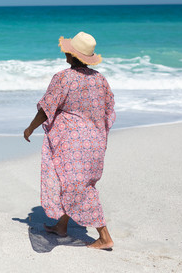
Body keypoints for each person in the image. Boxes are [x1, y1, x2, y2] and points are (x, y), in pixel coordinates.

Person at [23, 32, 116, 250]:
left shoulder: (63, 77)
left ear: (71, 55)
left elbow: (47, 108)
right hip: (94, 142)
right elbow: (109, 110)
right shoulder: (99, 79)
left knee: (80, 188)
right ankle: (61, 226)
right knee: (72, 182)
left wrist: (30, 128)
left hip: (71, 143)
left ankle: (104, 236)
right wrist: (96, 132)